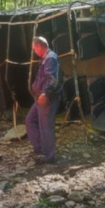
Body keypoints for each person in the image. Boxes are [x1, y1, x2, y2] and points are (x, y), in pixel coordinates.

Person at [26, 36, 62, 164]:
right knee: (30, 120)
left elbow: (52, 79)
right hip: (40, 97)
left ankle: (49, 156)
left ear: (39, 46)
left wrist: (45, 93)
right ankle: (40, 148)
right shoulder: (46, 58)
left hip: (46, 97)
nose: (34, 51)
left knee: (46, 126)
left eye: (34, 48)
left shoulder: (50, 58)